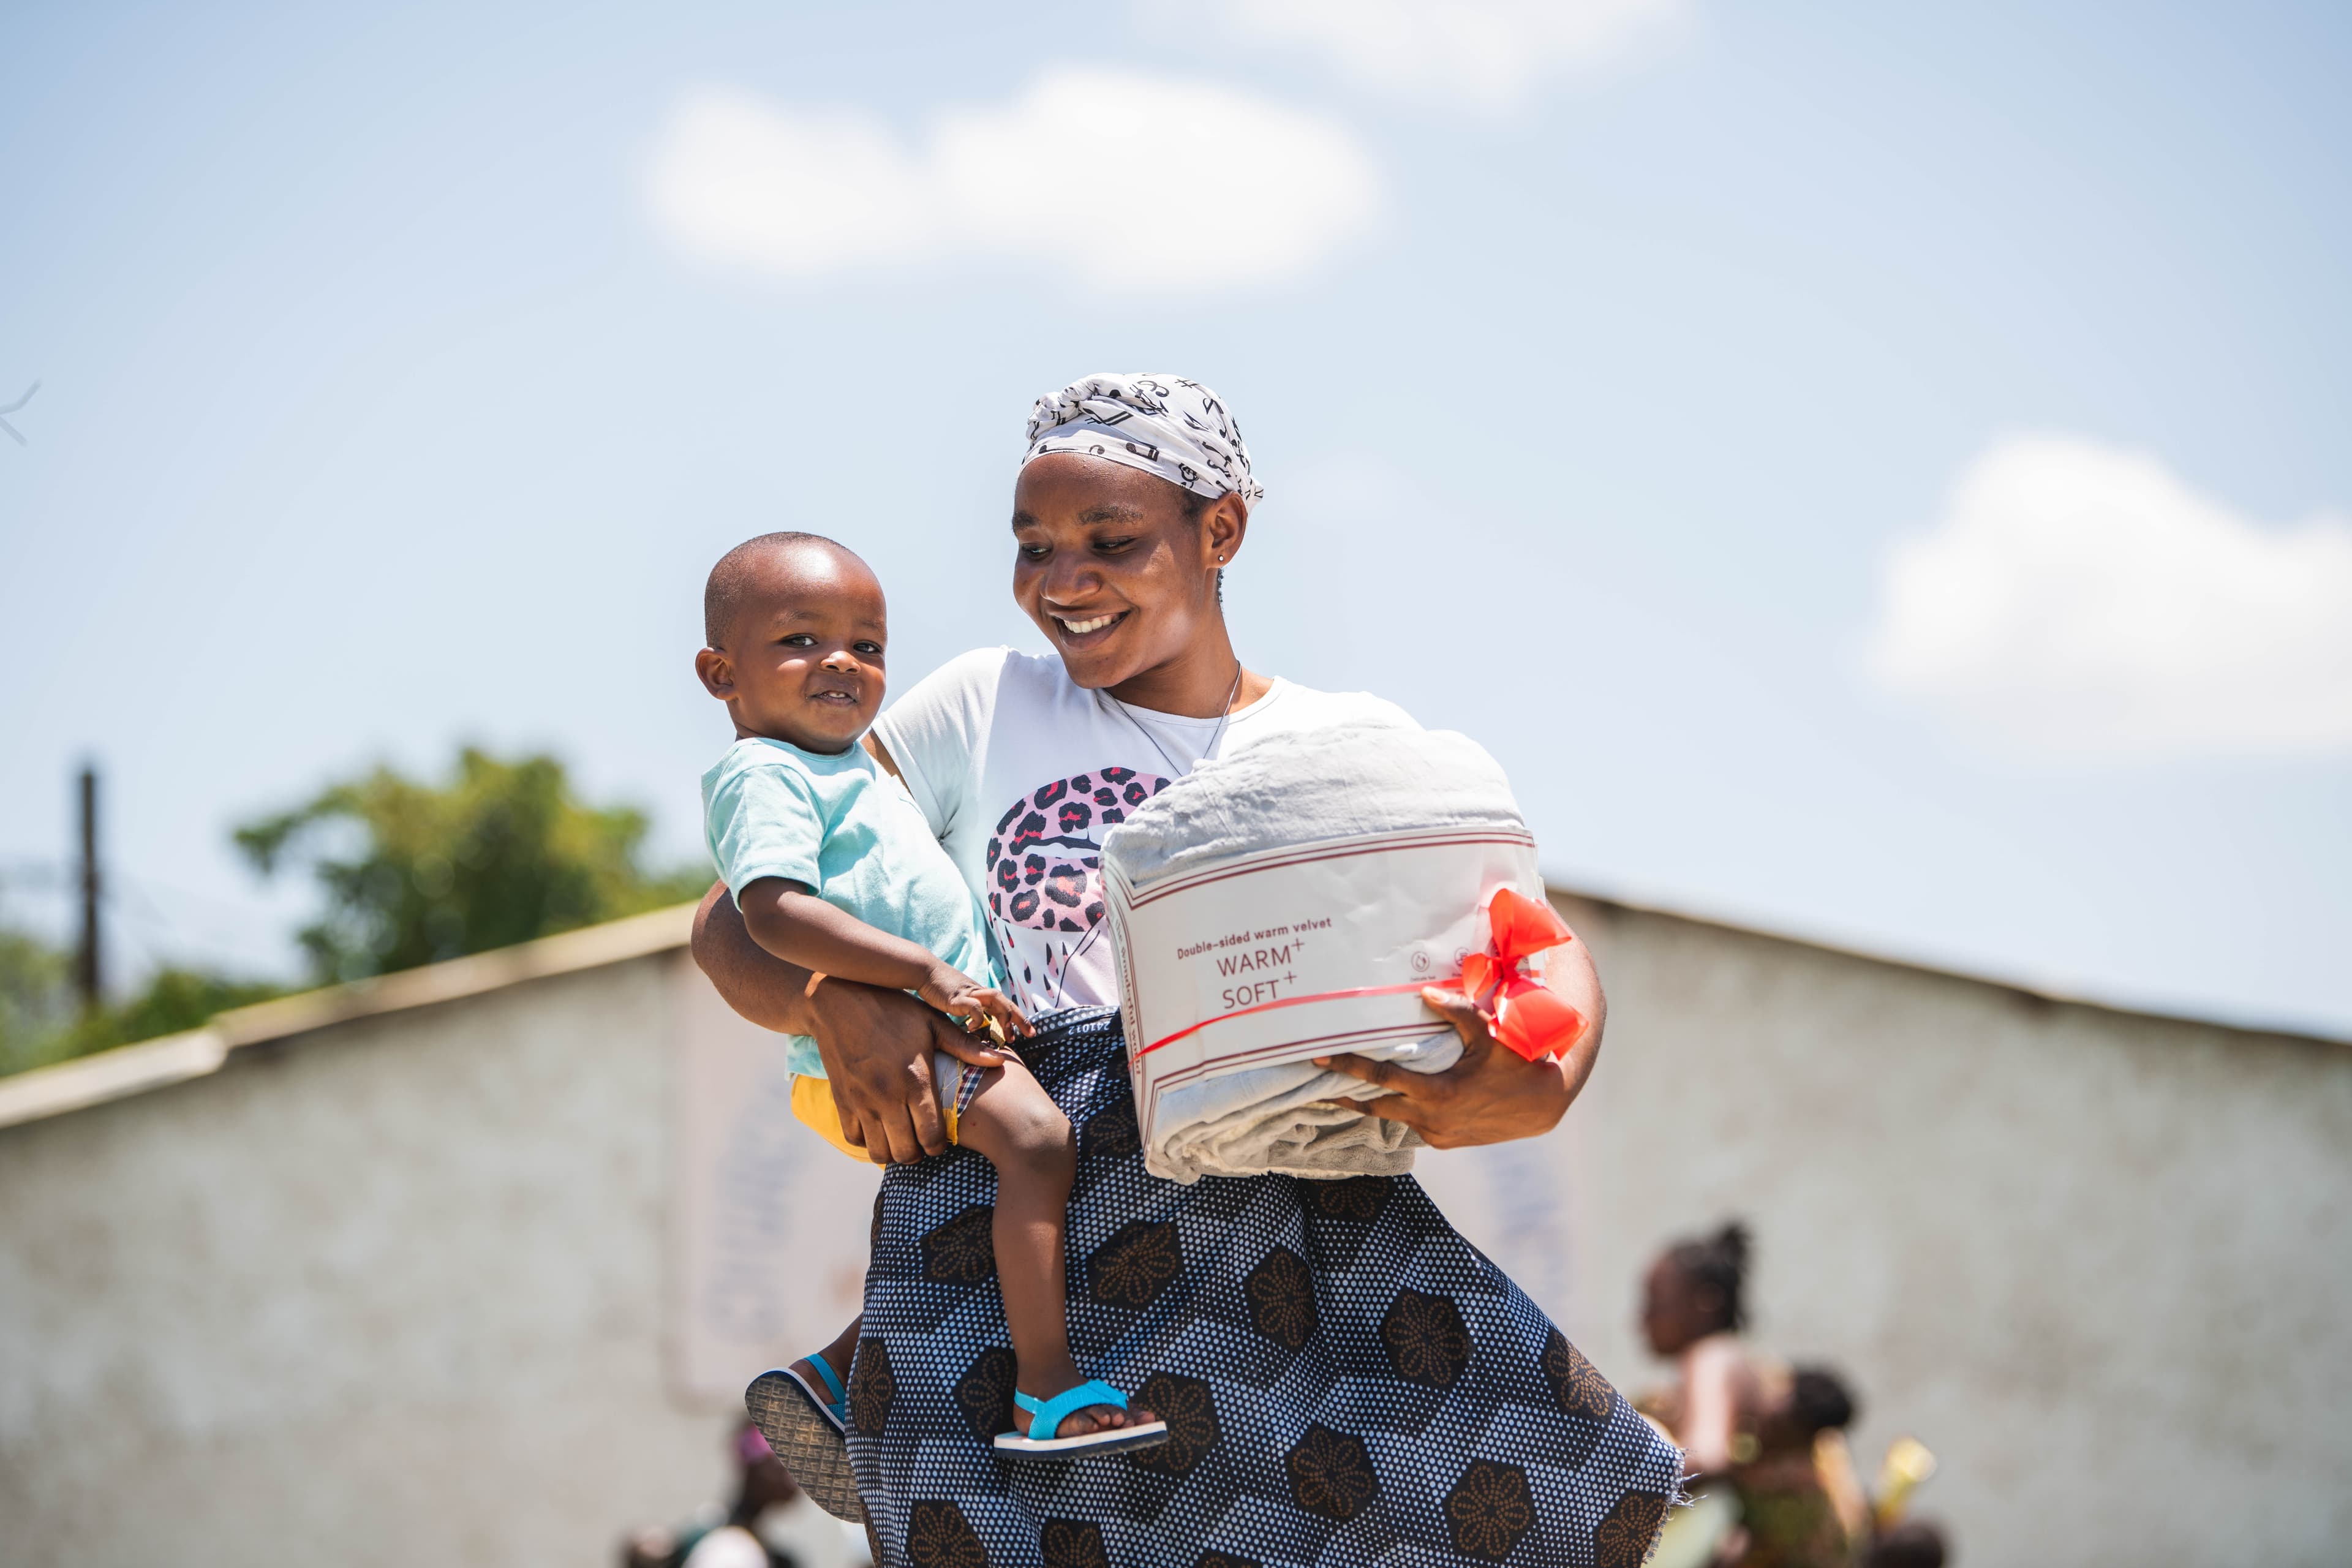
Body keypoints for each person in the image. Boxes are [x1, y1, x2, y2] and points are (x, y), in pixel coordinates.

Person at [698, 373, 1679, 1566]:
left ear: (1221, 531)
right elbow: (732, 922)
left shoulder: (1342, 747)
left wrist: (1549, 1065)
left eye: (1111, 542)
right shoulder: (979, 709)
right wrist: (830, 995)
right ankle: (866, 1363)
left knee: (1503, 1511)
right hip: (1021, 1247)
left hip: (1285, 1253)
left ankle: (844, 1366)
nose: (1064, 582)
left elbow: (1535, 939)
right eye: (1033, 548)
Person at [699, 533, 1165, 1461]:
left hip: (935, 1032)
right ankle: (1046, 1386)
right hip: (885, 1049)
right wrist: (923, 976)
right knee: (1037, 1145)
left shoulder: (854, 773)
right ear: (722, 674)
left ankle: (839, 1371)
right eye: (800, 640)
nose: (841, 661)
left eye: (866, 647)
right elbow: (767, 910)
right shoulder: (767, 775)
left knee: (957, 1197)